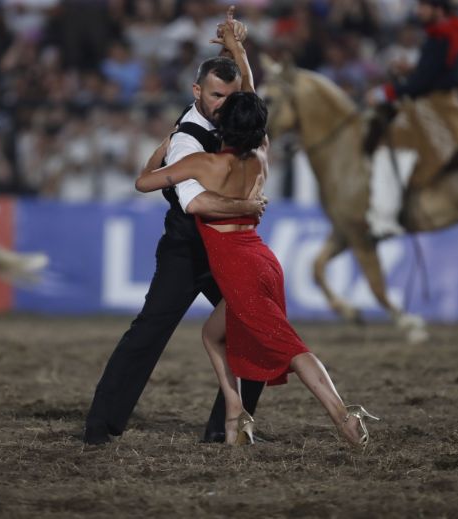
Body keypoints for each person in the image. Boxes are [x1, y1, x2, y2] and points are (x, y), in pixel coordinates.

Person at [135, 23, 378, 447]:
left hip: (239, 268)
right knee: (213, 335)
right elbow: (249, 94)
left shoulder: (207, 167)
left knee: (291, 349)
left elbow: (144, 182)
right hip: (263, 259)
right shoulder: (263, 150)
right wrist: (238, 49)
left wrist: (167, 142)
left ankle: (345, 418)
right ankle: (234, 414)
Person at [83, 9, 267, 446]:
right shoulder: (187, 139)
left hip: (227, 247)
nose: (226, 105)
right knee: (150, 331)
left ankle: (227, 428)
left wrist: (236, 46)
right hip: (189, 248)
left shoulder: (233, 109)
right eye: (218, 96)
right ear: (197, 92)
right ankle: (100, 425)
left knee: (258, 330)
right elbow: (195, 202)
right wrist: (247, 204)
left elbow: (250, 91)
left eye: (230, 96)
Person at [365, 0, 458, 192]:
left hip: (435, 103)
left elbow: (422, 84)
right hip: (441, 97)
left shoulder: (442, 35)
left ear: (438, 9)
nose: (419, 11)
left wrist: (384, 93)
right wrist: (413, 70)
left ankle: (396, 196)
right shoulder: (449, 31)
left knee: (395, 136)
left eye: (423, 6)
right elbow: (437, 70)